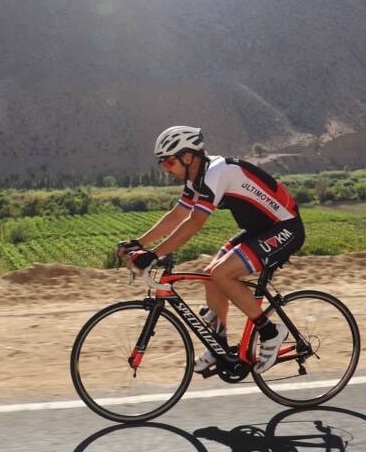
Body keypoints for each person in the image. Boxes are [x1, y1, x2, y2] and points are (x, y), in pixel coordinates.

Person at [118, 126, 305, 374]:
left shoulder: (216, 173)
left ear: (187, 157)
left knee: (222, 274)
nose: (166, 169)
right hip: (260, 229)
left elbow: (194, 222)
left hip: (285, 227)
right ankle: (220, 347)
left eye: (169, 162)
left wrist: (154, 254)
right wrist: (139, 243)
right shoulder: (196, 178)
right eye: (163, 164)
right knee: (210, 274)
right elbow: (177, 215)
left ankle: (270, 333)